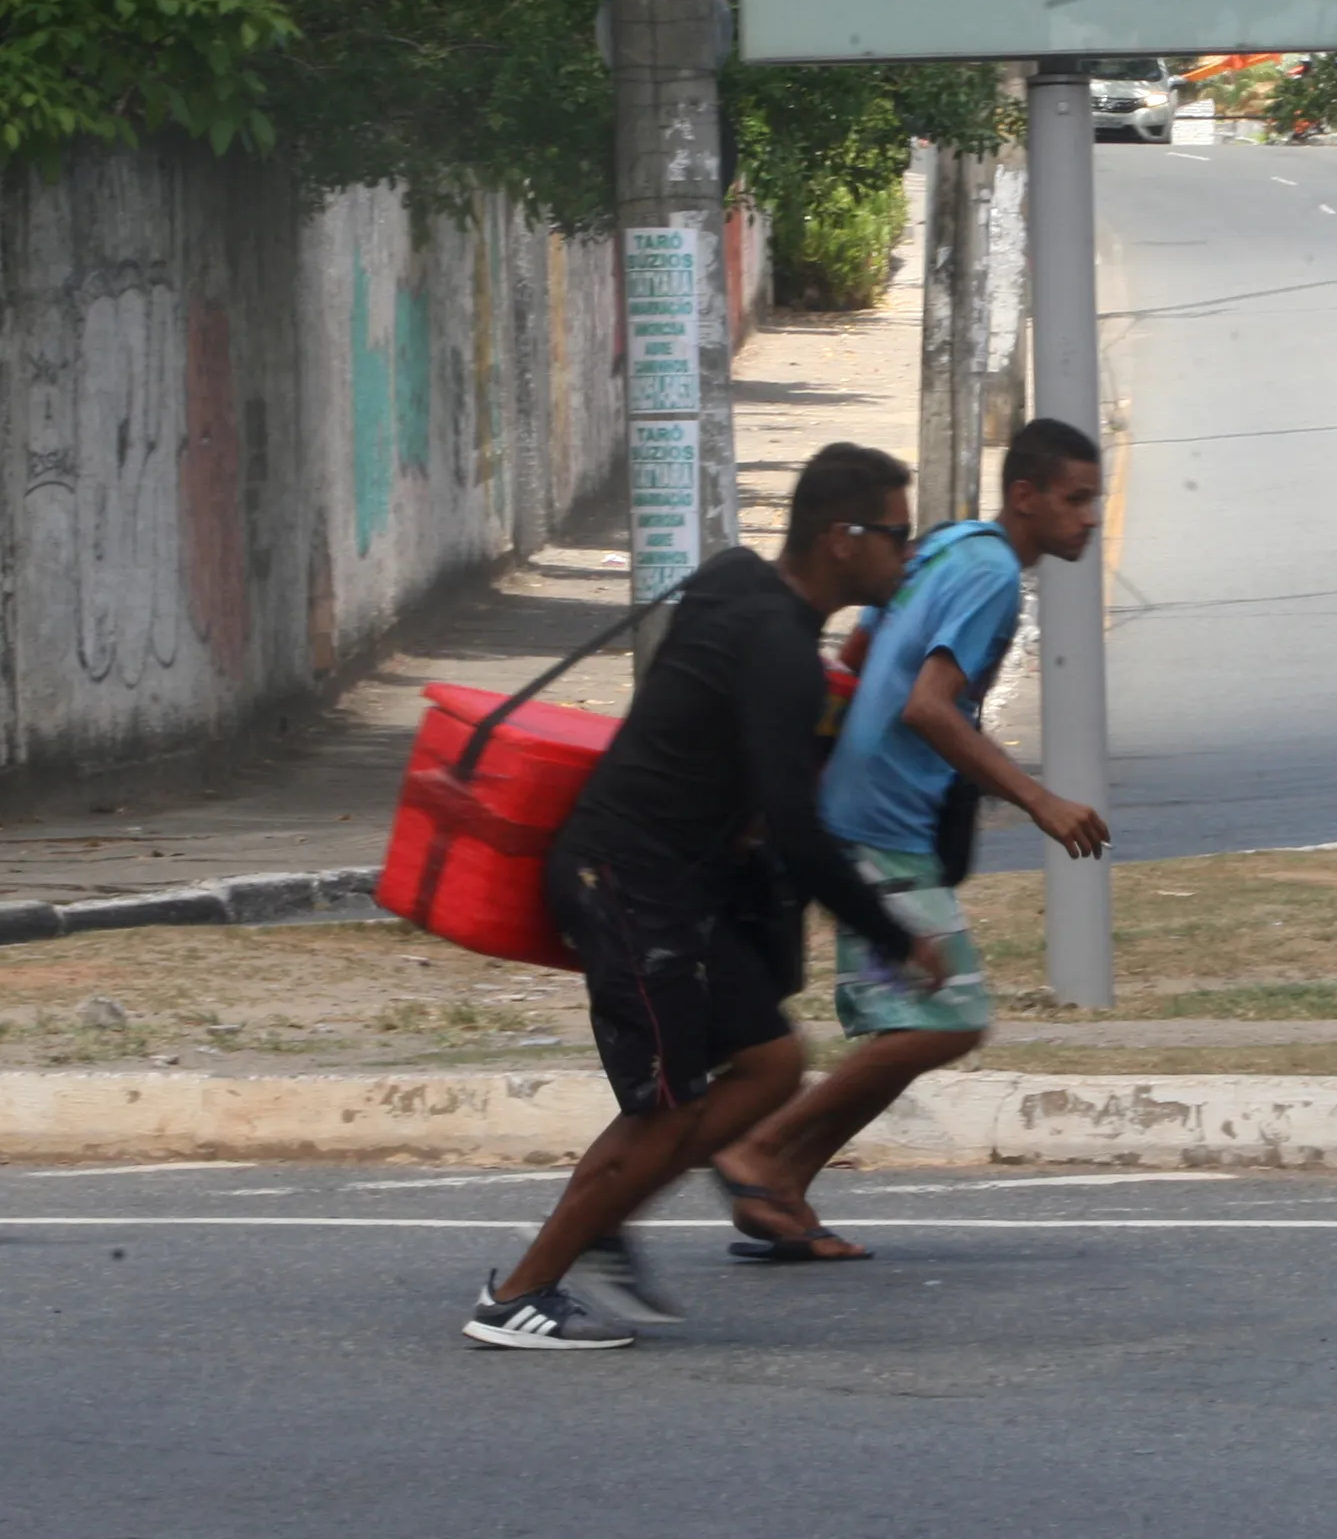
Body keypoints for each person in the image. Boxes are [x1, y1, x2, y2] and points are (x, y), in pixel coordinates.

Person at [462, 443, 938, 1351]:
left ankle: (605, 1220)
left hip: (666, 882)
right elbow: (796, 830)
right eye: (896, 535)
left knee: (769, 1063)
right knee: (666, 1109)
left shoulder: (734, 583)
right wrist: (893, 934)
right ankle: (517, 1293)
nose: (905, 555)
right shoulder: (783, 654)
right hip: (629, 883)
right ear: (843, 539)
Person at [710, 419, 1114, 1250]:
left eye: (1094, 500)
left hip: (869, 809)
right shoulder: (993, 573)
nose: (1091, 518)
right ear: (1025, 497)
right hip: (877, 818)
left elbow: (865, 641)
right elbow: (927, 706)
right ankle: (758, 1149)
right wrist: (1041, 802)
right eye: (1075, 500)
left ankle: (780, 1185)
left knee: (921, 1024)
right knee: (948, 1020)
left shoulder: (954, 543)